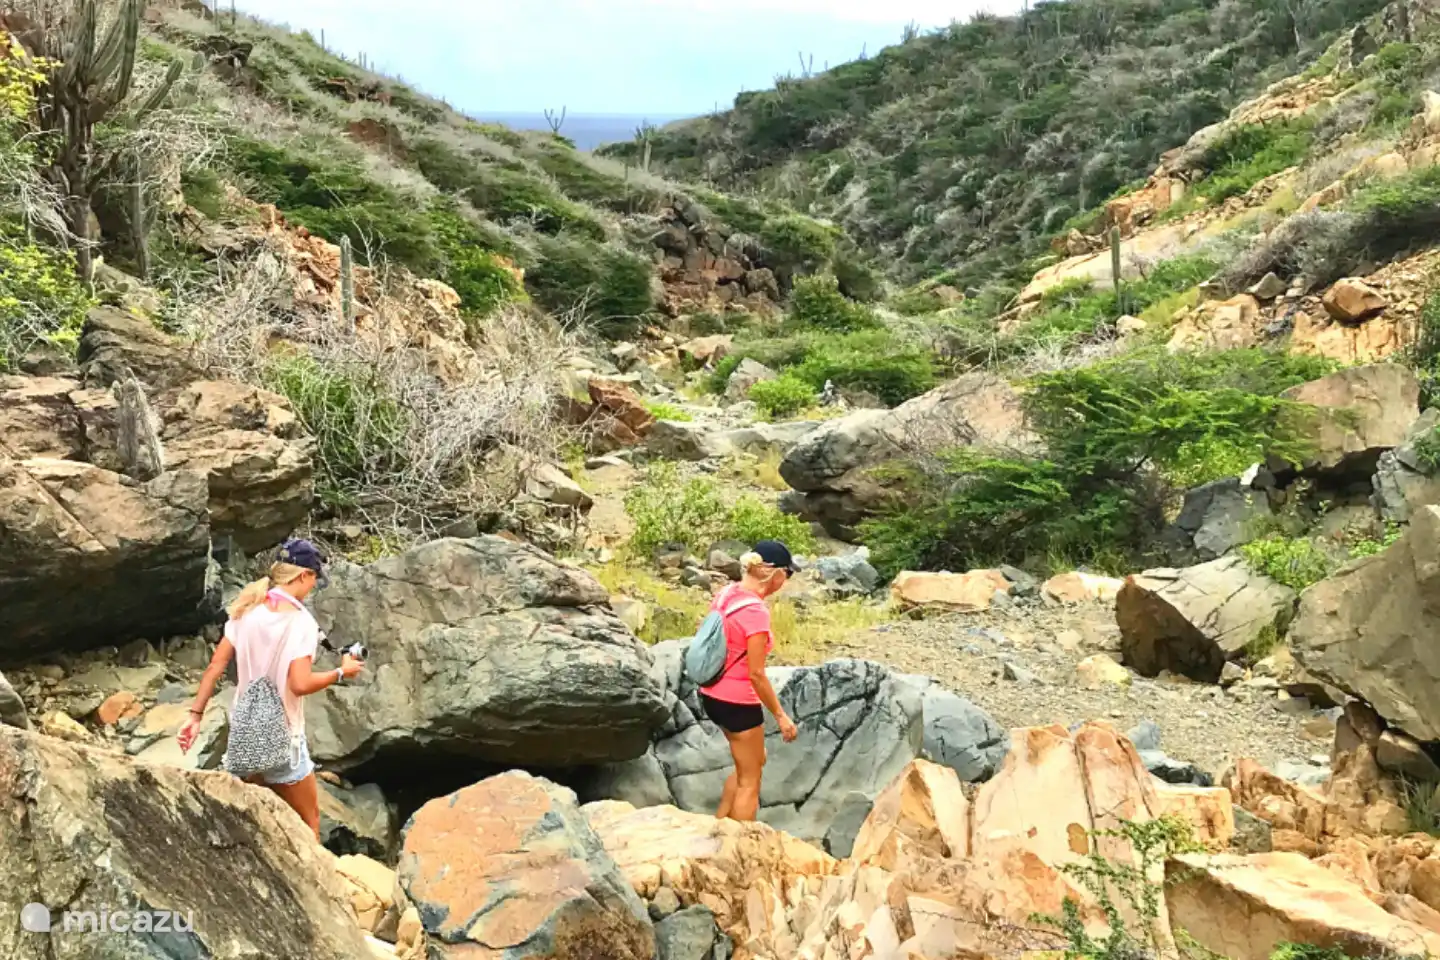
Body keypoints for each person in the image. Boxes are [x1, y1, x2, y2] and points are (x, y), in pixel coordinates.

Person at [178, 539, 363, 839]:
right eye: (314, 579)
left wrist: (195, 716)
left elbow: (215, 667)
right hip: (283, 739)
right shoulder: (300, 623)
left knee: (249, 820)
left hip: (245, 733)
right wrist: (341, 672)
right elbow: (299, 684)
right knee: (309, 824)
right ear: (303, 575)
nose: (313, 587)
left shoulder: (246, 609)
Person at [698, 539, 800, 822]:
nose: (786, 580)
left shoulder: (726, 594)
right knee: (750, 781)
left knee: (753, 761)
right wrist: (780, 716)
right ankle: (738, 839)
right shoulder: (755, 611)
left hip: (711, 693)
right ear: (773, 572)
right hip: (738, 703)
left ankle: (721, 824)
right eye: (787, 573)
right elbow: (756, 673)